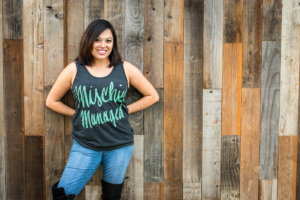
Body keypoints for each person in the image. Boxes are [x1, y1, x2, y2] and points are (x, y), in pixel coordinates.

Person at [46, 19, 159, 200]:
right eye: (97, 39)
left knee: (111, 196)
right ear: (88, 40)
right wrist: (77, 113)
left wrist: (125, 110)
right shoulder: (74, 70)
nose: (102, 45)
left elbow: (152, 96)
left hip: (119, 146)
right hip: (85, 145)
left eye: (108, 40)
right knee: (63, 194)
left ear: (113, 44)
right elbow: (52, 101)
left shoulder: (125, 69)